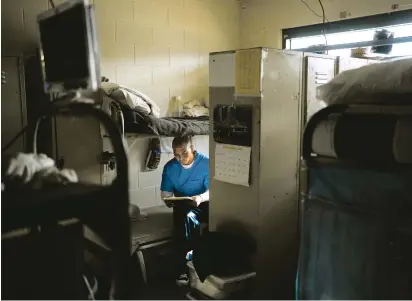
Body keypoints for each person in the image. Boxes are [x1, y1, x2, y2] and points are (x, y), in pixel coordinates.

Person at [160, 135, 209, 287]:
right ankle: (183, 268)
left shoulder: (205, 163)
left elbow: (213, 190)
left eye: (184, 154)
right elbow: (166, 193)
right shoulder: (170, 168)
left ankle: (196, 262)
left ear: (192, 149)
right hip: (183, 205)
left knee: (189, 219)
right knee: (182, 221)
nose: (180, 158)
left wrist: (200, 198)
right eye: (176, 155)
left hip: (204, 203)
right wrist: (167, 200)